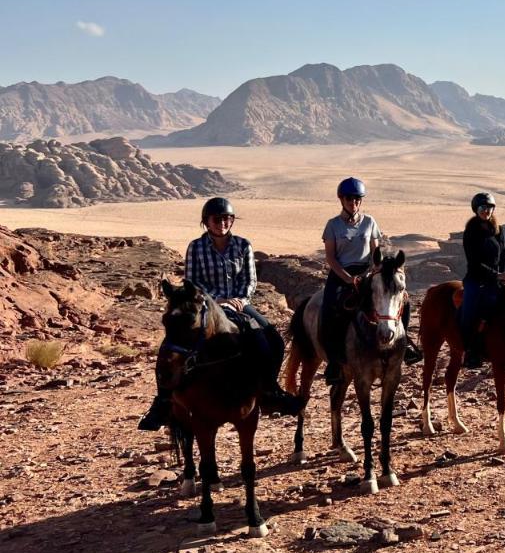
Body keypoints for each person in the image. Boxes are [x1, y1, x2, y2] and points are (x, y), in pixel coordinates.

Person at [138, 197, 303, 431]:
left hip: (238, 304)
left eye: (227, 218)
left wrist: (239, 299)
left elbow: (250, 279)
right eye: (217, 219)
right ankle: (163, 402)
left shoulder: (243, 245)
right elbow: (193, 282)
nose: (222, 223)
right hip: (206, 305)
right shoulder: (196, 247)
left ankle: (270, 390)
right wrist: (217, 301)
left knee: (272, 339)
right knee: (170, 346)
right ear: (206, 222)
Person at [319, 177, 421, 381]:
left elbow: (376, 253)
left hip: (367, 273)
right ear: (342, 200)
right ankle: (334, 362)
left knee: (404, 302)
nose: (353, 202)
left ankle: (404, 343)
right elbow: (330, 257)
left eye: (357, 198)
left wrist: (375, 274)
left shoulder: (369, 222)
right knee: (329, 309)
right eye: (349, 198)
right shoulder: (332, 225)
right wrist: (348, 279)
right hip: (341, 274)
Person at [460, 191, 505, 369]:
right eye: (482, 208)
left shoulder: (499, 230)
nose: (486, 211)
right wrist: (495, 275)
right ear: (476, 209)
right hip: (476, 279)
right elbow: (474, 262)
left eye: (489, 207)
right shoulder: (471, 232)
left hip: (497, 279)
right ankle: (470, 350)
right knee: (469, 311)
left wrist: (504, 274)